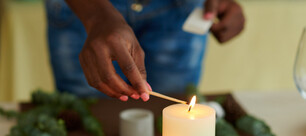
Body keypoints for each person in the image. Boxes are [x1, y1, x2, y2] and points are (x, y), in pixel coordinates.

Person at [45, 0, 245, 101]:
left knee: (171, 116)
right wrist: (95, 16)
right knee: (83, 120)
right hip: (79, 9)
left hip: (179, 9)